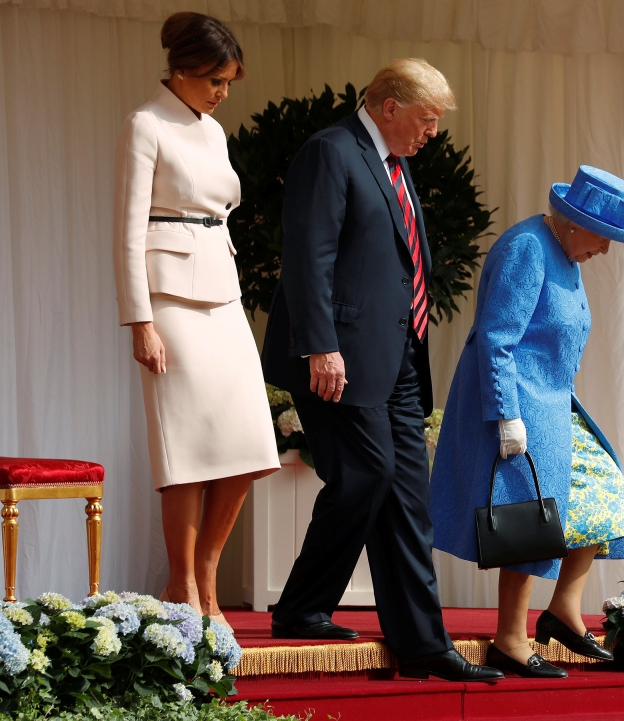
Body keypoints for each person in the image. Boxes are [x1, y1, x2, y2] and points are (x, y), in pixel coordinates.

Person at [260, 59, 501, 683]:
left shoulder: (395, 165)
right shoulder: (330, 152)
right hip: (338, 355)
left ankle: (420, 642)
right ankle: (307, 606)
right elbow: (308, 255)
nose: (432, 133)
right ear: (389, 106)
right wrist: (320, 345)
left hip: (396, 357)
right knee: (368, 474)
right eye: (426, 119)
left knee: (404, 494)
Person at [430, 165, 624, 678]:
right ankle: (510, 636)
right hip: (518, 404)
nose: (608, 250)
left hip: (553, 405)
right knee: (529, 516)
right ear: (574, 222)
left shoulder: (566, 253)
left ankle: (563, 610)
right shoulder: (527, 247)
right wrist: (505, 415)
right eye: (606, 237)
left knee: (602, 492)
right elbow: (497, 338)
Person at [112, 12, 279, 625]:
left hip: (223, 291)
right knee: (183, 447)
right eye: (214, 80)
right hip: (170, 300)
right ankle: (183, 585)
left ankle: (207, 564)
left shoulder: (213, 131)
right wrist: (140, 320)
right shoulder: (146, 124)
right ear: (181, 70)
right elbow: (128, 230)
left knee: (251, 442)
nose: (222, 93)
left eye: (228, 82)